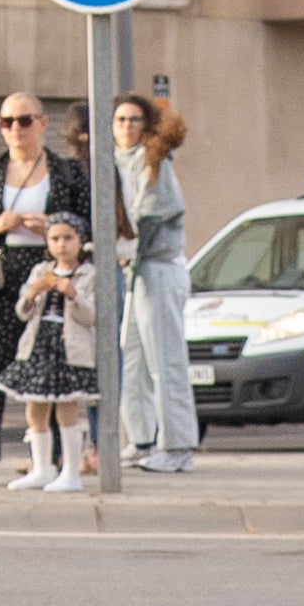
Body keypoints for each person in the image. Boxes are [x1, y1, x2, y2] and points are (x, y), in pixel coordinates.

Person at [0, 98, 82, 482]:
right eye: (7, 121)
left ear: (42, 123)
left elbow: (86, 222)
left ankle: (52, 460)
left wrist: (53, 227)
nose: (15, 129)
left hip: (46, 280)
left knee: (50, 367)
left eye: (24, 120)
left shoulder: (66, 172)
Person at [106, 91, 196, 472]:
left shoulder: (155, 161)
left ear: (146, 125)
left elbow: (157, 210)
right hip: (134, 272)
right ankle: (141, 439)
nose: (126, 127)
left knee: (166, 360)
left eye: (134, 120)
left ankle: (178, 446)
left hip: (159, 265)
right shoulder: (111, 162)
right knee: (132, 359)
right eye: (120, 120)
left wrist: (126, 240)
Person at [9, 220, 96, 486]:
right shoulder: (41, 271)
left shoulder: (88, 274)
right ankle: (42, 468)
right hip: (39, 344)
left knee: (66, 405)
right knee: (36, 407)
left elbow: (91, 315)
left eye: (68, 238)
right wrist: (33, 293)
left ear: (80, 241)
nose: (62, 244)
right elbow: (22, 312)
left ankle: (70, 471)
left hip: (67, 347)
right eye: (55, 238)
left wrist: (72, 294)